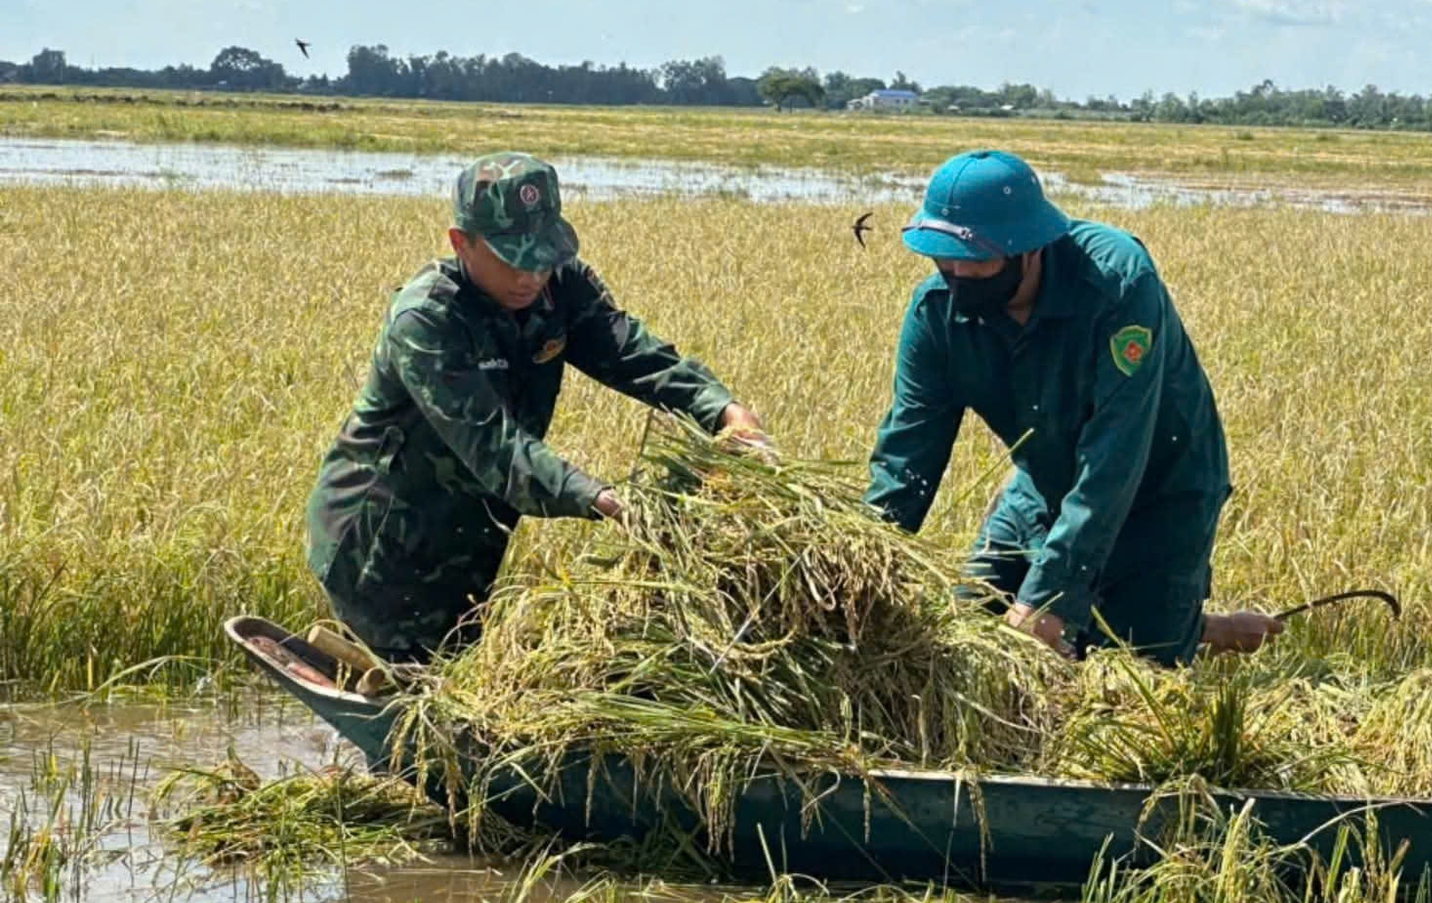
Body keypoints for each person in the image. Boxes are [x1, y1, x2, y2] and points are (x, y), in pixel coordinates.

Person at [304, 151, 766, 662]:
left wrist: (724, 411)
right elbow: (494, 447)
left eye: (542, 256)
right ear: (462, 243)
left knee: (450, 669)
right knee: (411, 681)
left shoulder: (561, 287)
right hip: (381, 541)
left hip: (473, 535)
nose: (530, 276)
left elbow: (631, 353)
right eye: (511, 258)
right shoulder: (428, 319)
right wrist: (602, 499)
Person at [864, 149, 1282, 664]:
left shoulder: (1117, 286)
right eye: (942, 257)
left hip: (1162, 491)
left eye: (974, 260)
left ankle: (1176, 622)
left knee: (1121, 670)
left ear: (1029, 249)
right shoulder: (936, 317)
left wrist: (1049, 596)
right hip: (1046, 487)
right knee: (965, 633)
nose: (955, 274)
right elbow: (908, 459)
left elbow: (1116, 456)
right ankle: (1186, 624)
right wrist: (862, 564)